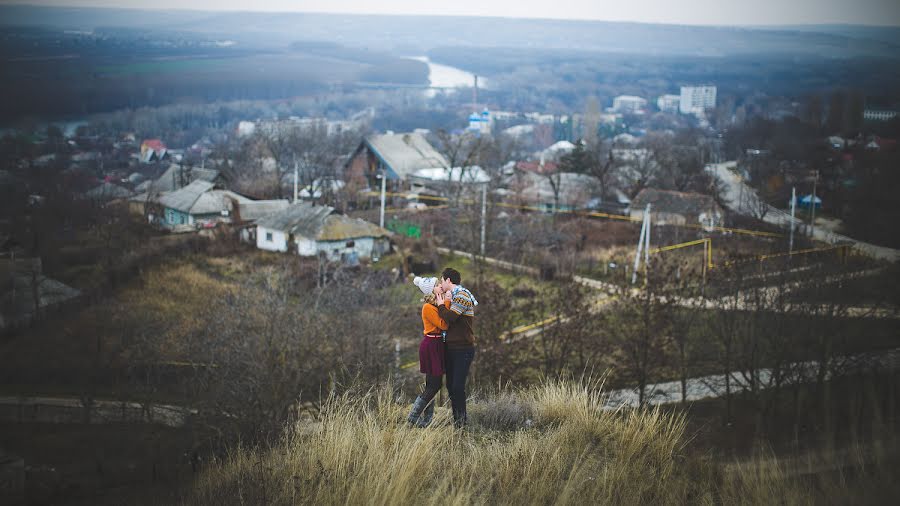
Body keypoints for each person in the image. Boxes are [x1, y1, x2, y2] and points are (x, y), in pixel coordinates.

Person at [434, 267, 477, 427]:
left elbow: (450, 317)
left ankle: (462, 423)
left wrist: (440, 305)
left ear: (448, 280)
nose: (440, 283)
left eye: (441, 280)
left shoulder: (463, 295)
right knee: (451, 386)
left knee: (458, 386)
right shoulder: (452, 297)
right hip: (451, 349)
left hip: (463, 349)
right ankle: (457, 421)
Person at [406, 276, 448, 427]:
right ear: (431, 290)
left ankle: (427, 420)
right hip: (431, 345)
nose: (440, 287)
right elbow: (443, 324)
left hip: (437, 344)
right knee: (434, 385)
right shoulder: (428, 308)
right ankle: (413, 416)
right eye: (437, 285)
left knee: (432, 384)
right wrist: (446, 303)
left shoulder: (435, 305)